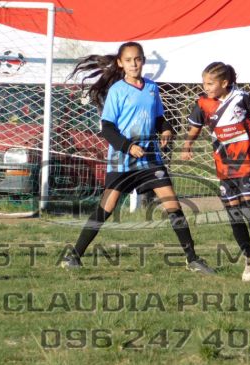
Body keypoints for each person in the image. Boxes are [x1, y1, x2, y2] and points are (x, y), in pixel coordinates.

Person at [61, 42, 215, 275]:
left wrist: (166, 129)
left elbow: (159, 118)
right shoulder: (117, 91)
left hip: (150, 159)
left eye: (138, 59)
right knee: (106, 208)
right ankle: (74, 256)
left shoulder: (152, 87)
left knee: (172, 204)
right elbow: (107, 128)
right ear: (120, 63)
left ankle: (192, 259)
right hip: (123, 160)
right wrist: (128, 146)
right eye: (129, 60)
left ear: (143, 60)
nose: (134, 64)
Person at [180, 62, 250, 281]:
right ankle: (249, 257)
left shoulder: (241, 98)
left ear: (224, 83)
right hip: (223, 165)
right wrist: (187, 145)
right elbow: (195, 127)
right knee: (233, 213)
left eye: (210, 83)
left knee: (249, 209)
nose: (206, 87)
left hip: (246, 162)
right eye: (204, 83)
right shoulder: (203, 103)